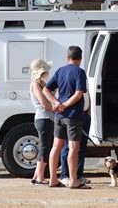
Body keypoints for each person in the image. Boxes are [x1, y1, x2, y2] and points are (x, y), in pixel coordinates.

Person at [43, 46, 91, 189]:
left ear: (67, 57)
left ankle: (52, 179)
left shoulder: (60, 70)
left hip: (59, 116)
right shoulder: (80, 72)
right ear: (80, 59)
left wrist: (56, 103)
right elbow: (78, 94)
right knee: (73, 148)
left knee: (56, 147)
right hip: (73, 116)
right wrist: (64, 105)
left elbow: (46, 89)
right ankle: (73, 180)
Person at [29, 59, 55, 185]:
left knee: (44, 146)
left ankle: (36, 176)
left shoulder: (39, 83)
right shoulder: (36, 84)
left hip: (44, 118)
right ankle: (40, 177)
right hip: (44, 117)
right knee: (45, 147)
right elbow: (44, 104)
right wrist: (57, 107)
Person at [58, 90, 91, 187]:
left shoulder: (84, 81)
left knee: (81, 148)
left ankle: (79, 175)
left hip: (84, 114)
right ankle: (64, 175)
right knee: (68, 147)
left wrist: (88, 114)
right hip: (72, 115)